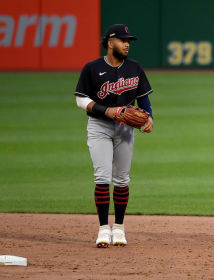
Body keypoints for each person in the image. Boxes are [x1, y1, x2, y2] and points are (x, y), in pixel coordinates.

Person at [74, 24, 154, 248]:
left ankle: (118, 228)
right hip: (99, 127)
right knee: (102, 177)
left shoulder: (135, 68)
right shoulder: (92, 68)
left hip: (125, 129)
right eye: (122, 39)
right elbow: (81, 100)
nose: (127, 43)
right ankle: (102, 230)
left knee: (121, 180)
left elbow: (143, 99)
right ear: (110, 43)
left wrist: (149, 117)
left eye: (129, 40)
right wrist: (107, 110)